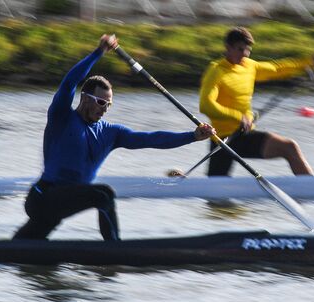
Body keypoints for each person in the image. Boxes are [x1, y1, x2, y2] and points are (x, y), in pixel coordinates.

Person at [13, 34, 215, 241]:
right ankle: (115, 248)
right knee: (103, 194)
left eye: (109, 105)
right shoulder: (61, 117)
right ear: (84, 98)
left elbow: (151, 139)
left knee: (22, 249)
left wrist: (192, 136)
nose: (105, 109)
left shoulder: (111, 133)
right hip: (43, 197)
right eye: (101, 103)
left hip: (63, 203)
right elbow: (69, 82)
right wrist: (98, 52)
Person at [199, 27, 314, 176]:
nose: (245, 54)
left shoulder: (249, 66)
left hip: (243, 135)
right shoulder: (216, 71)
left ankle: (309, 188)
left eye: (248, 50)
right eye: (240, 49)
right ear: (228, 48)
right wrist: (239, 117)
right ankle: (310, 189)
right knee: (215, 190)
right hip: (223, 139)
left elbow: (276, 68)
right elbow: (206, 105)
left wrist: (308, 62)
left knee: (289, 147)